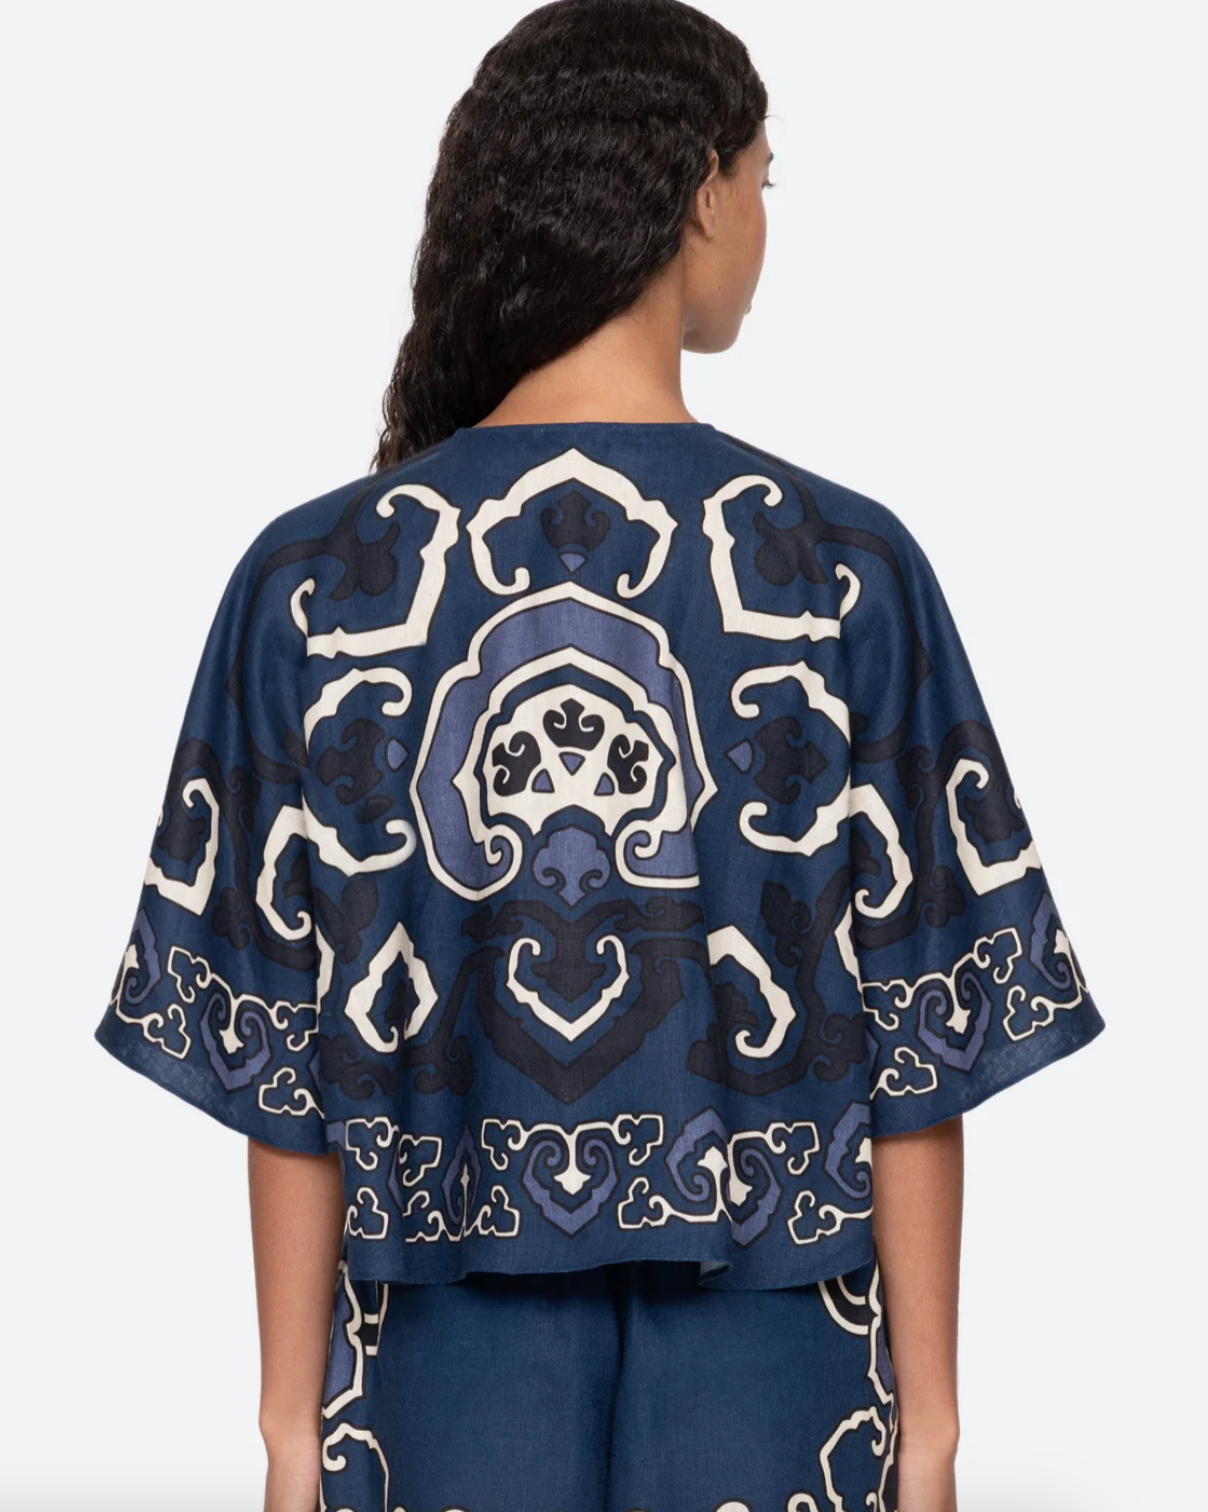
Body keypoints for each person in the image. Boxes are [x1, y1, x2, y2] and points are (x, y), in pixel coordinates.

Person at [94, 3, 1104, 1510]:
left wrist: (290, 1430)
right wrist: (934, 1430)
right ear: (699, 190)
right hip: (784, 1344)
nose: (765, 218)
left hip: (427, 1356)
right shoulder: (839, 569)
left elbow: (284, 1057)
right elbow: (921, 1037)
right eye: (766, 178)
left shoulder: (317, 582)